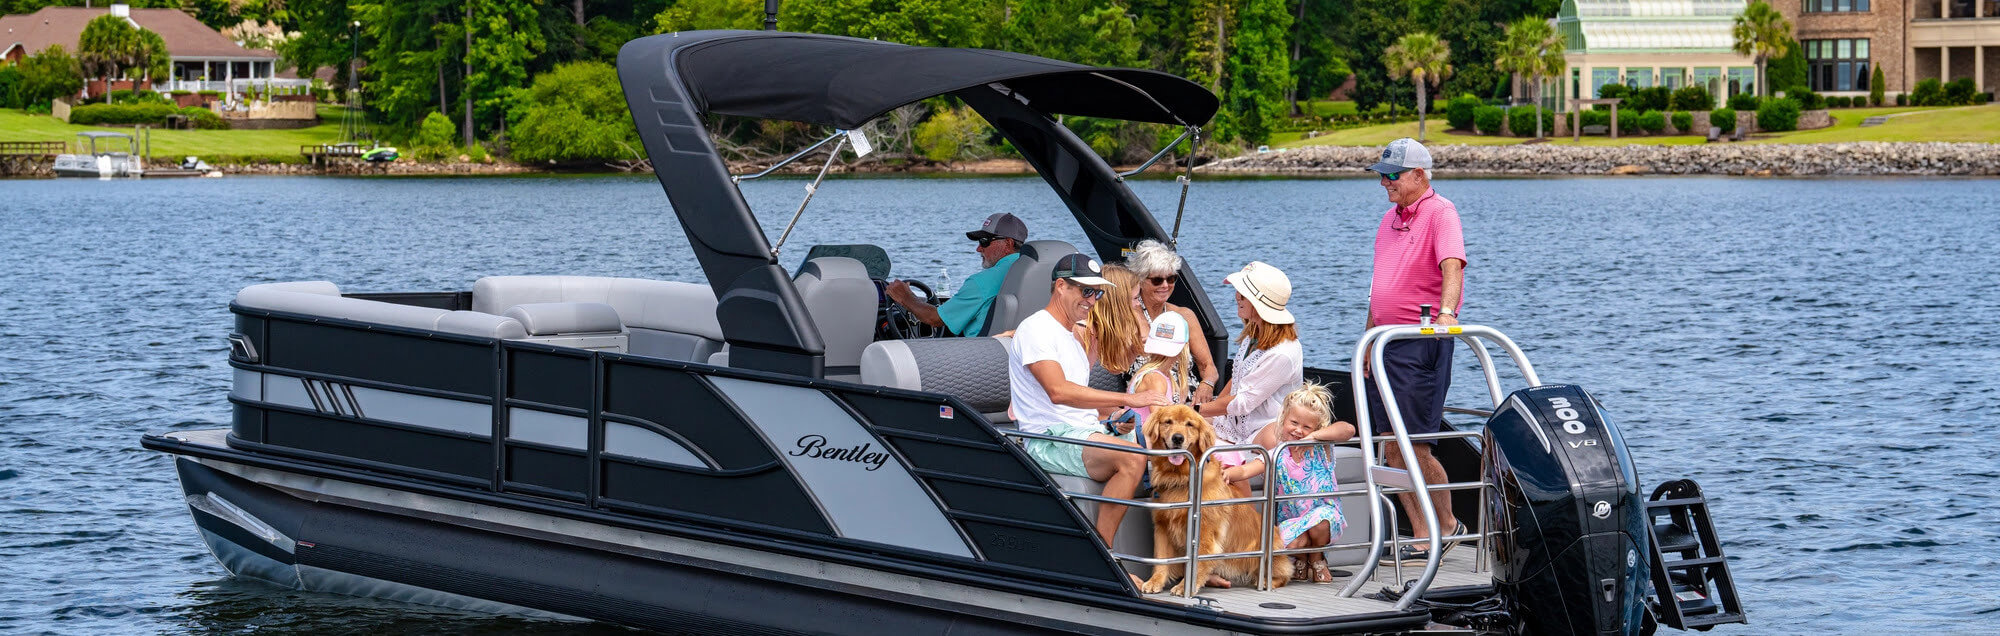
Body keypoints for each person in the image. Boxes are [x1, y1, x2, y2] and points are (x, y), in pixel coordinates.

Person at [1008, 253, 1167, 548]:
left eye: (1098, 293)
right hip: (1048, 440)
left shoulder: (1073, 335)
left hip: (1076, 433)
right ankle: (1104, 554)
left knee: (1169, 449)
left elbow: (1076, 403)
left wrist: (1110, 422)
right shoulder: (1036, 329)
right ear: (1060, 286)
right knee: (1133, 455)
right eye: (1085, 290)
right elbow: (1059, 391)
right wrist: (1130, 398)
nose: (1092, 299)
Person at [1362, 137, 1468, 564]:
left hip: (1419, 343)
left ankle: (1446, 527)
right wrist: (1367, 341)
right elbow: (1378, 287)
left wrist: (1445, 313)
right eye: (1381, 175)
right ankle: (1424, 533)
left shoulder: (1442, 212)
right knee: (1390, 444)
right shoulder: (1389, 218)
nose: (1384, 183)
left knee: (1414, 445)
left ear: (1420, 175)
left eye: (1392, 176)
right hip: (1384, 343)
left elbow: (1452, 265)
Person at [1195, 261, 1303, 498]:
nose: (1237, 297)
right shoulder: (1254, 335)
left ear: (1259, 302)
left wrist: (1196, 409)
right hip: (1239, 424)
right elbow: (1236, 380)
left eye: (1243, 293)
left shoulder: (1283, 353)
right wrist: (1204, 411)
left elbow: (1242, 402)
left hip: (1263, 428)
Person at [1263, 383, 1352, 584]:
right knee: (1287, 542)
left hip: (1325, 516)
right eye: (1294, 423)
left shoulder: (1321, 449)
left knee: (1320, 520)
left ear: (1316, 429)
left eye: (1307, 427)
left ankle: (1316, 558)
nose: (1299, 431)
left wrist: (1314, 437)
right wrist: (1227, 473)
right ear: (1283, 419)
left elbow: (1348, 429)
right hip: (1294, 522)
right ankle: (1301, 560)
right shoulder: (1278, 454)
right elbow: (1247, 469)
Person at [885, 212, 1025, 337]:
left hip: (982, 357)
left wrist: (905, 297)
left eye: (984, 241)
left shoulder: (981, 282)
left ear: (1008, 243)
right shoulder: (1037, 275)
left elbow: (934, 319)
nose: (978, 248)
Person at [1125, 240, 1222, 403]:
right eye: (1157, 280)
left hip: (1189, 399)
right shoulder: (1129, 316)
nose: (1165, 285)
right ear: (1140, 280)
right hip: (1148, 400)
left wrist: (1207, 384)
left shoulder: (1184, 315)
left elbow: (1208, 367)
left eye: (1171, 279)